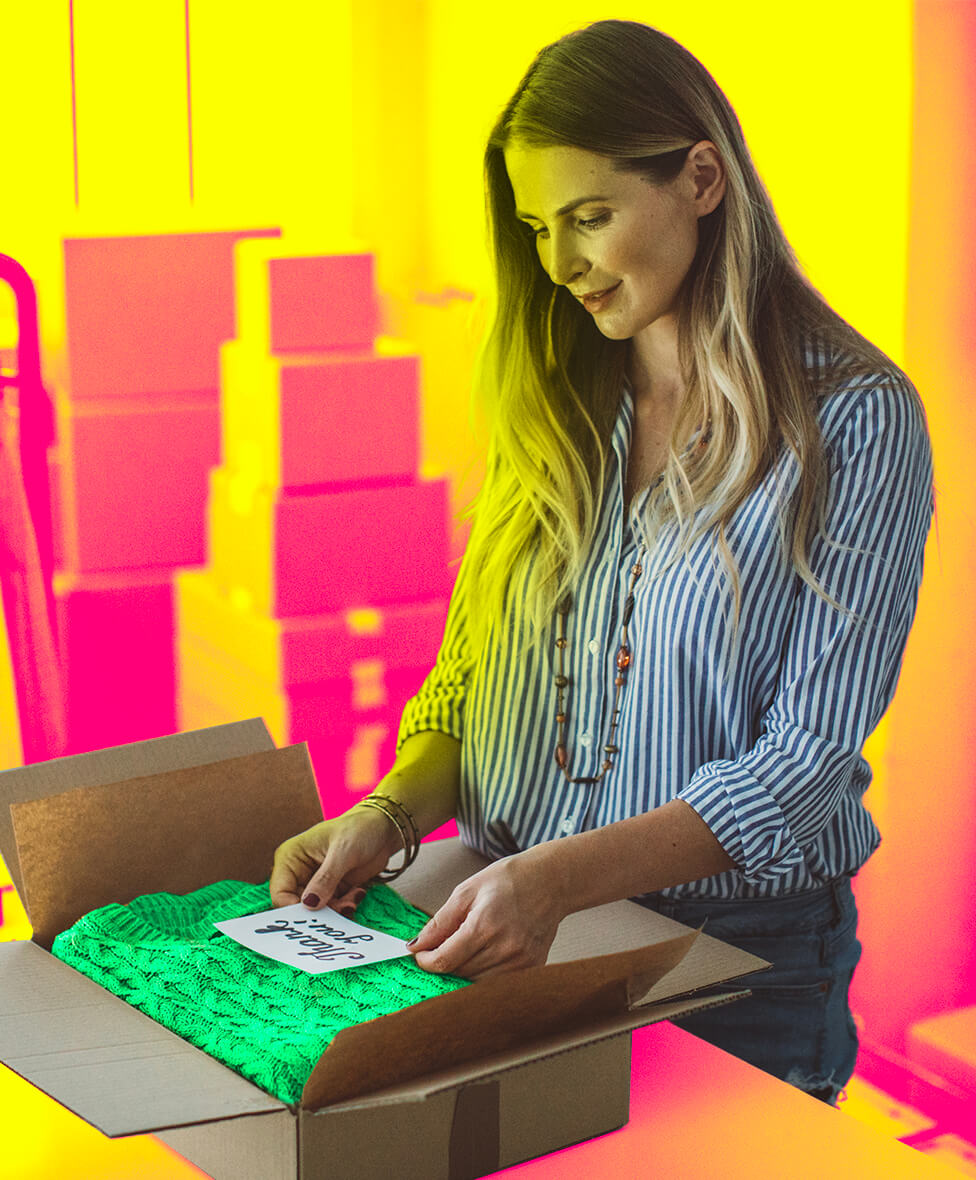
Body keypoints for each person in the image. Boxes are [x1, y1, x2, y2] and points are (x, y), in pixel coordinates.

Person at [270, 19, 934, 1106]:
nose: (559, 263)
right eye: (538, 226)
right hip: (516, 932)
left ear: (701, 179)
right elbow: (470, 679)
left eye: (589, 217)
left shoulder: (855, 422)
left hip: (735, 970)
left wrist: (554, 878)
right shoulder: (554, 400)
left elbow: (803, 763)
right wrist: (387, 816)